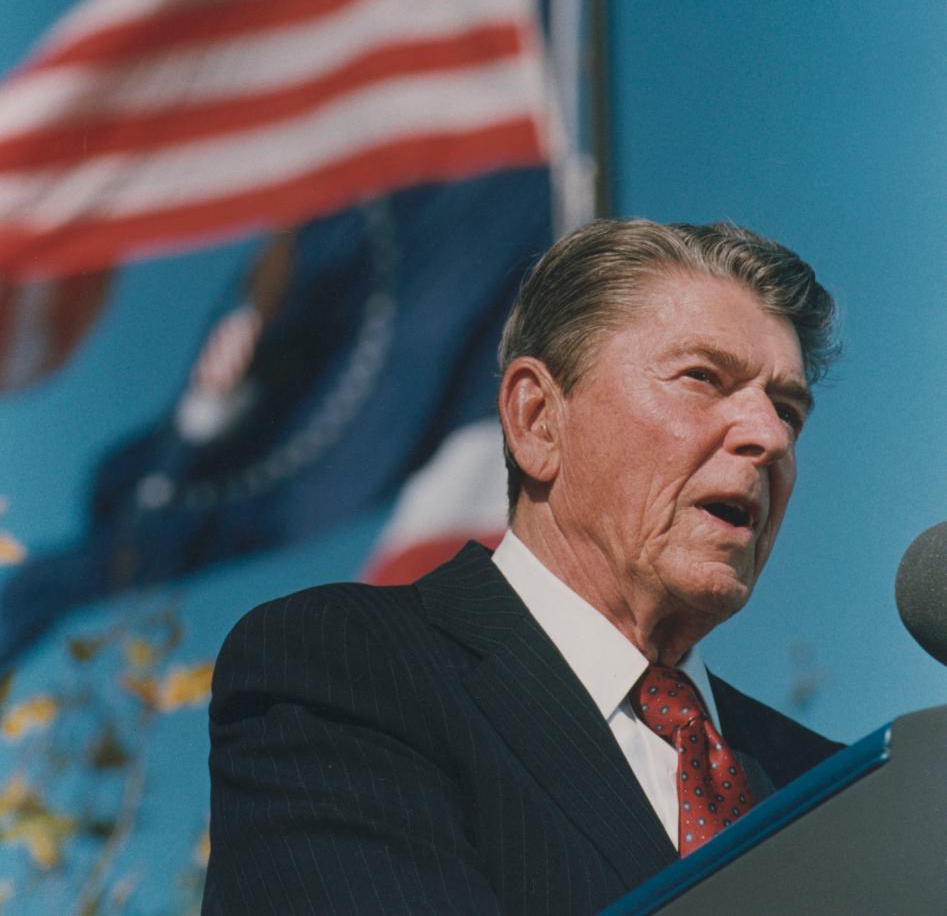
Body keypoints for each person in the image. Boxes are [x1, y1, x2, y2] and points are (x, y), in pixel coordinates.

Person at [203, 219, 843, 915]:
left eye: (787, 409)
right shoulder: (341, 670)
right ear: (538, 419)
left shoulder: (833, 787)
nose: (768, 436)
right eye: (701, 377)